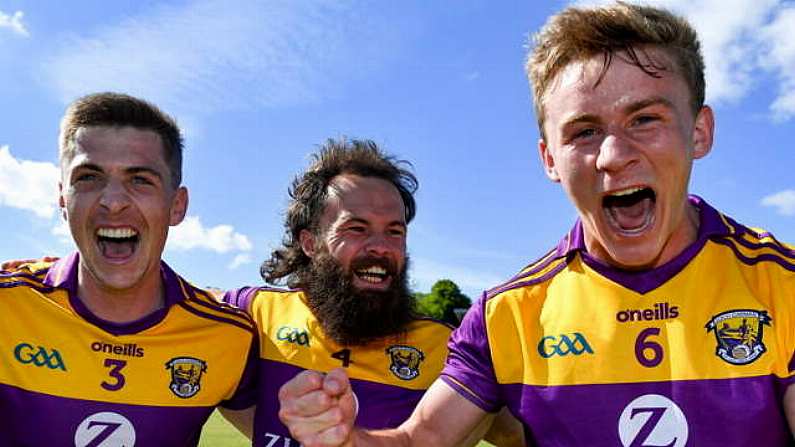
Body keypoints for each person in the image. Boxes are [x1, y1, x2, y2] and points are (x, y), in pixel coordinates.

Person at [276, 2, 795, 446]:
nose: (613, 156)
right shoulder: (509, 315)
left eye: (645, 119)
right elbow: (422, 438)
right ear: (550, 159)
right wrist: (347, 438)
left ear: (699, 132)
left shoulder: (783, 287)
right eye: (584, 131)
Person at [221, 139, 522, 446]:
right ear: (310, 243)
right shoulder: (255, 313)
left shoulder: (447, 349)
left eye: (395, 231)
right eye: (356, 228)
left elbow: (523, 431)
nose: (381, 246)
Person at [0, 92, 257, 445]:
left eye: (140, 180)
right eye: (89, 177)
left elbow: (287, 433)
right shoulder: (8, 305)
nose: (114, 201)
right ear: (63, 199)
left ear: (177, 205)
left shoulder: (228, 335)